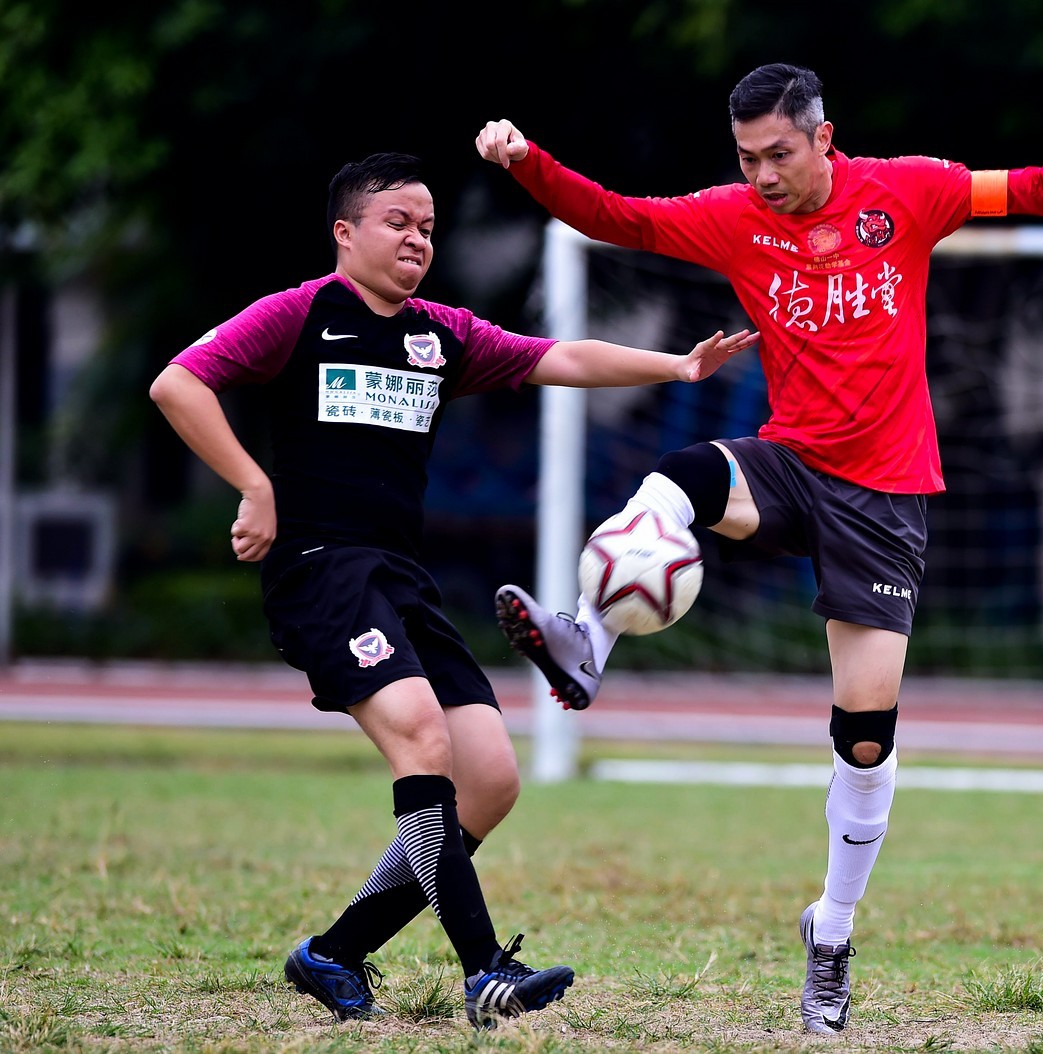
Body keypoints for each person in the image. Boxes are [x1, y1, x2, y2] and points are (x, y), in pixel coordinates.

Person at [476, 63, 1043, 1034]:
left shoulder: (908, 191)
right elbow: (620, 217)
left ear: (823, 138)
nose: (763, 174)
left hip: (887, 498)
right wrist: (528, 164)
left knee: (863, 735)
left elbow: (1024, 187)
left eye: (778, 153)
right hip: (789, 464)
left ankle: (833, 925)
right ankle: (587, 639)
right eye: (746, 157)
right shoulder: (734, 217)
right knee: (683, 473)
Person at [148, 151, 757, 1030]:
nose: (417, 239)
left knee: (492, 781)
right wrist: (254, 486)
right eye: (397, 222)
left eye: (429, 227)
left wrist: (677, 368)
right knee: (425, 744)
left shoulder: (441, 334)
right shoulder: (300, 315)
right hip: (323, 571)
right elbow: (178, 382)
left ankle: (333, 953)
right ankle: (484, 973)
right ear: (344, 233)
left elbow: (563, 356)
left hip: (401, 576)